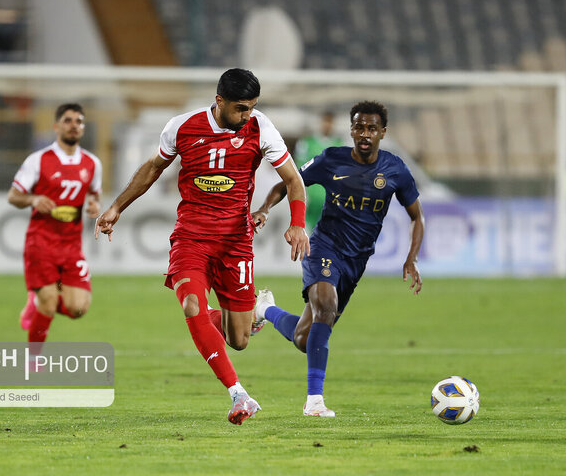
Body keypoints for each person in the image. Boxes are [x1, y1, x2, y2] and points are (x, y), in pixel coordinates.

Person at [95, 68, 309, 425]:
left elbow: (293, 179)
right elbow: (152, 168)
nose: (247, 116)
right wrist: (117, 206)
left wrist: (298, 222)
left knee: (237, 339)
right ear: (219, 101)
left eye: (252, 108)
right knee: (192, 304)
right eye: (241, 108)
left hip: (235, 243)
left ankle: (256, 313)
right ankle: (239, 394)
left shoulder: (261, 128)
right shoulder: (182, 127)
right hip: (191, 238)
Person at [251, 100, 424, 417]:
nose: (365, 133)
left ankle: (264, 308)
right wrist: (264, 208)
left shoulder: (395, 169)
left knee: (305, 337)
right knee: (325, 306)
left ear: (382, 133)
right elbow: (288, 183)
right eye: (359, 126)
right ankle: (314, 401)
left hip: (355, 263)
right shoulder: (332, 160)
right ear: (351, 130)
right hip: (324, 246)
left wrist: (411, 258)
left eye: (372, 128)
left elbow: (417, 217)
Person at [8, 103, 101, 353]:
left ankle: (37, 301)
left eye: (79, 121)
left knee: (78, 308)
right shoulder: (38, 160)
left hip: (71, 245)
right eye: (68, 120)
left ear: (83, 128)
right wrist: (33, 199)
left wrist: (94, 206)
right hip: (41, 241)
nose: (74, 125)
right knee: (48, 302)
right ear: (56, 126)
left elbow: (94, 194)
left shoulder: (92, 163)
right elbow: (13, 196)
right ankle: (33, 358)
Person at [294, 111, 344, 232]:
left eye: (330, 122)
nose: (327, 125)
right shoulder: (307, 143)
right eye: (325, 122)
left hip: (330, 197)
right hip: (310, 195)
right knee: (308, 230)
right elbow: (298, 169)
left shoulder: (339, 145)